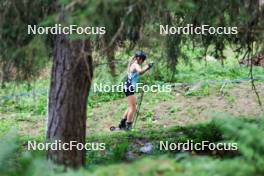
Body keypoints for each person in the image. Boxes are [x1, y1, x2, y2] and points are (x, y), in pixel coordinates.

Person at [118, 51, 153, 130]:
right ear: (139, 58)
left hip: (128, 87)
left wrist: (147, 68)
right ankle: (128, 126)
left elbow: (140, 73)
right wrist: (147, 66)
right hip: (129, 87)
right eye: (142, 60)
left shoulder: (134, 64)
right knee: (133, 108)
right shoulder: (135, 64)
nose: (142, 62)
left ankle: (122, 124)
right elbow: (140, 71)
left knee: (131, 106)